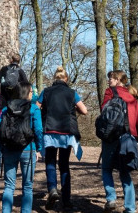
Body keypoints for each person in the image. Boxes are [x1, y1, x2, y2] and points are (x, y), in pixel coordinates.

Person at [38, 66, 88, 211]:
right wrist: (75, 108)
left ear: (55, 78)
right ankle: (66, 200)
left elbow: (36, 107)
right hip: (66, 132)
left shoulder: (46, 92)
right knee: (64, 165)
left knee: (50, 162)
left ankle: (52, 189)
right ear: (66, 79)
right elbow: (84, 110)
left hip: (50, 131)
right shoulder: (72, 93)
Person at [0, 81, 43, 213]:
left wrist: (2, 147)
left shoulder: (7, 108)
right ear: (28, 93)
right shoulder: (34, 109)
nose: (33, 94)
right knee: (27, 186)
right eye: (32, 92)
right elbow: (38, 130)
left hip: (9, 149)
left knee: (9, 186)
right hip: (29, 149)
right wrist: (39, 148)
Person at [100, 70, 138, 213]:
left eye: (111, 78)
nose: (109, 81)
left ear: (118, 79)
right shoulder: (131, 96)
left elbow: (104, 111)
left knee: (106, 168)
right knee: (124, 172)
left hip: (111, 137)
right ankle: (130, 208)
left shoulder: (109, 92)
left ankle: (111, 199)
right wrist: (137, 138)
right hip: (128, 137)